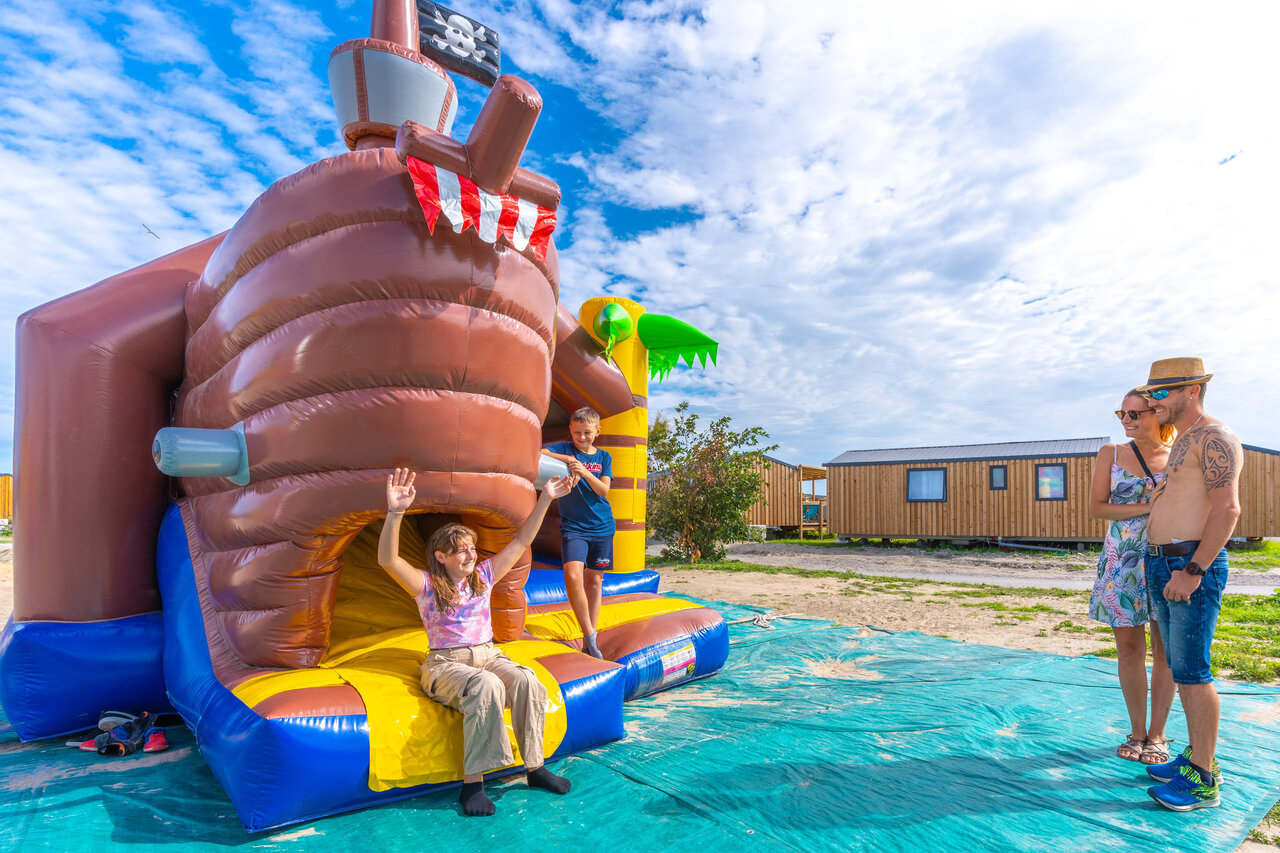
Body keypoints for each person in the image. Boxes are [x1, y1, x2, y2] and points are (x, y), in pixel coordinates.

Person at [378, 467, 575, 817]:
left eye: (471, 548)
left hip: (487, 653)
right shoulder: (425, 585)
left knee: (528, 679)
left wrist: (545, 498)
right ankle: (473, 784)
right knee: (486, 685)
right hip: (447, 663)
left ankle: (535, 767)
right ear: (441, 557)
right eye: (460, 551)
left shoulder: (483, 577)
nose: (470, 555)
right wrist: (395, 513)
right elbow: (388, 560)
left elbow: (520, 541)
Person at [1136, 358, 1241, 812]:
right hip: (1166, 564)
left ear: (1192, 390)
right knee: (1181, 670)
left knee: (1194, 674)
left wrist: (1194, 570)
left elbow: (1228, 509)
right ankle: (1196, 760)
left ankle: (1203, 780)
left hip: (1189, 566)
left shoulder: (1216, 436)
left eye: (1160, 394)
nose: (1150, 401)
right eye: (1149, 393)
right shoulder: (1184, 441)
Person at [1087, 389, 1175, 766]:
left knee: (1165, 652)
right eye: (1122, 413)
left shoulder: (1178, 455)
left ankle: (1158, 735)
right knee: (1129, 649)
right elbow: (1097, 508)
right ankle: (1137, 731)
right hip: (1120, 560)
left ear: (1158, 414)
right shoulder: (1111, 453)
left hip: (1164, 555)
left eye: (1135, 414)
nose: (1126, 420)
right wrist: (1148, 505)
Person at [541, 407, 615, 659]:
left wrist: (583, 472)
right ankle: (592, 637)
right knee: (573, 575)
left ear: (597, 431)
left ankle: (587, 640)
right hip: (574, 526)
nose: (582, 437)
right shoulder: (565, 448)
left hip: (602, 525)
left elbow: (603, 491)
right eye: (577, 433)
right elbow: (542, 453)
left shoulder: (604, 457)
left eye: (587, 432)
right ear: (570, 431)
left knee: (594, 581)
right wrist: (568, 461)